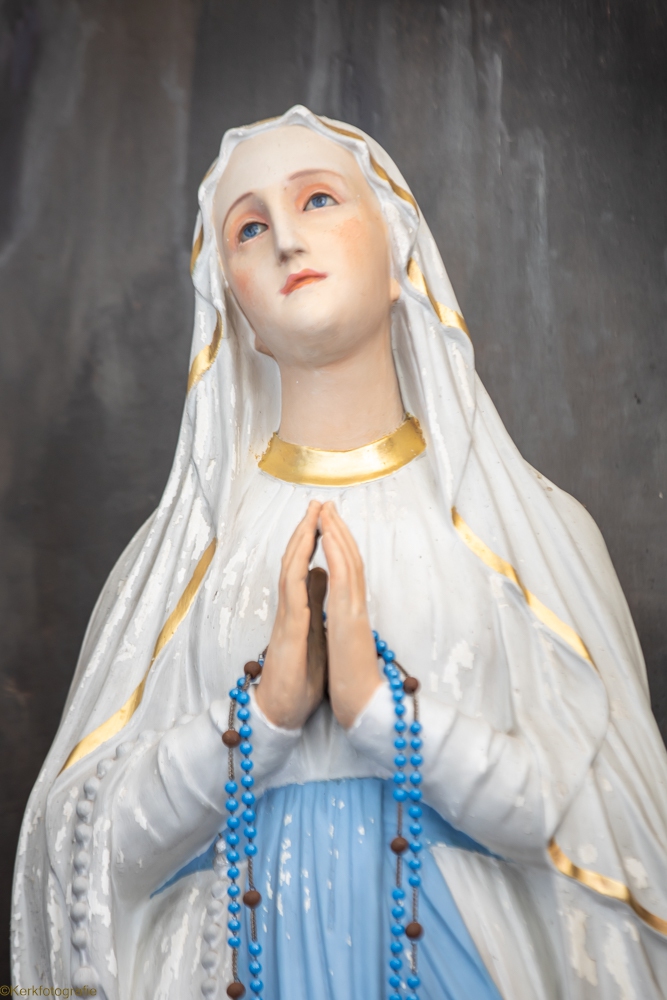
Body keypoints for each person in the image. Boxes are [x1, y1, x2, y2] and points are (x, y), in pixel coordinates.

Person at [12, 106, 667, 1000]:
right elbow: (81, 851)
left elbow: (607, 826)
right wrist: (259, 719)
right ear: (232, 307)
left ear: (399, 255)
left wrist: (383, 716)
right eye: (248, 227)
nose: (286, 239)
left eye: (317, 200)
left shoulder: (532, 535)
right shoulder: (175, 566)